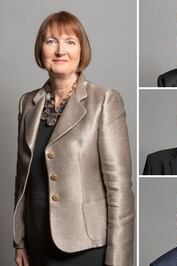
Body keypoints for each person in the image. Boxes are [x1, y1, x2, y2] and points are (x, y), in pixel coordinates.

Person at [13, 11, 134, 266]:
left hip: (85, 246)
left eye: (70, 41)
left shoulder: (104, 101)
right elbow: (22, 178)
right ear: (41, 50)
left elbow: (119, 189)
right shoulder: (28, 104)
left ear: (82, 50)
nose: (60, 50)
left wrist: (119, 260)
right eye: (50, 41)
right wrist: (20, 240)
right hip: (36, 244)